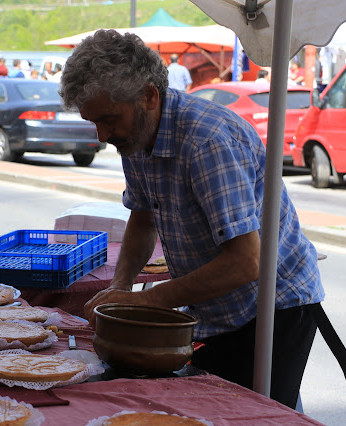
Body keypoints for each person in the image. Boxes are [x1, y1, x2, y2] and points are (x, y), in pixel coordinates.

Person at [59, 29, 325, 410]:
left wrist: (149, 302)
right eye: (93, 122)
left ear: (149, 96)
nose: (103, 135)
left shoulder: (207, 141)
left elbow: (245, 262)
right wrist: (121, 287)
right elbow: (142, 218)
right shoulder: (134, 134)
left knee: (251, 415)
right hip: (213, 309)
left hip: (273, 307)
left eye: (108, 119)